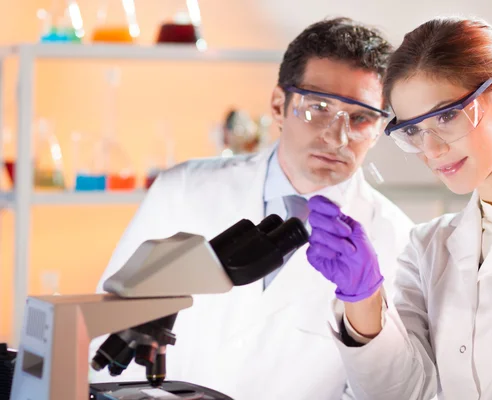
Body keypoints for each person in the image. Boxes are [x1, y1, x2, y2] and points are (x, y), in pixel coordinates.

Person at [89, 17, 414, 400]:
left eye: (360, 118)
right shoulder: (183, 190)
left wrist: (365, 309)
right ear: (279, 106)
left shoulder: (399, 239)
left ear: (379, 129)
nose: (336, 136)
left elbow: (390, 392)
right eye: (318, 108)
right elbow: (103, 336)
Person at [306, 16, 492, 400]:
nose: (431, 150)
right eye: (412, 130)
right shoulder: (428, 246)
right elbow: (406, 393)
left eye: (445, 116)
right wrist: (362, 298)